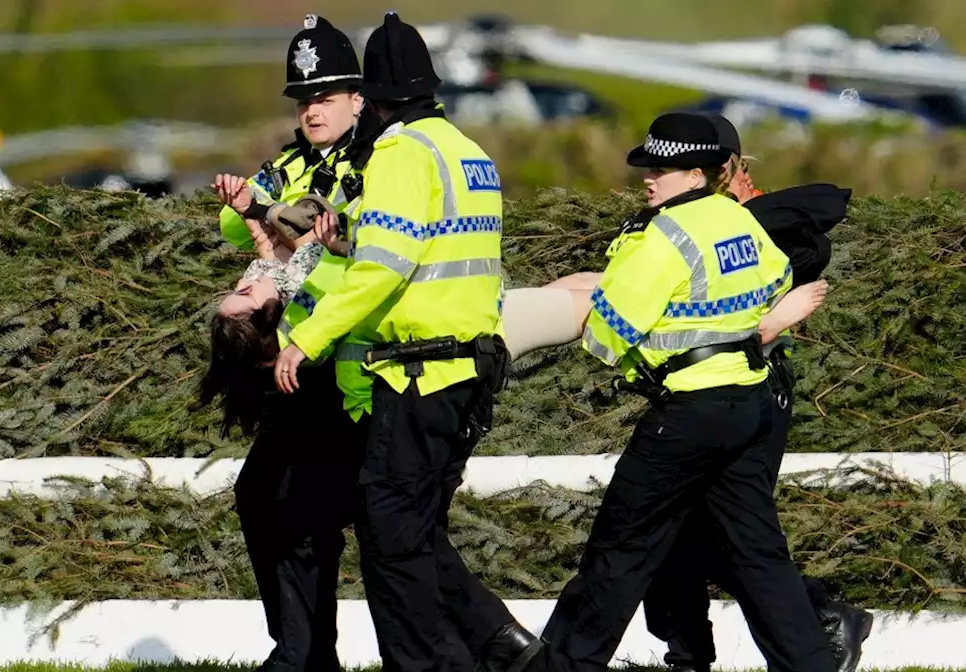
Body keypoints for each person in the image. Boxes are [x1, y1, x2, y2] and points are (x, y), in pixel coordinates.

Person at [488, 111, 839, 672]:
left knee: (619, 552)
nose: (651, 177)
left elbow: (606, 334)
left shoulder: (663, 237)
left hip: (689, 413)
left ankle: (563, 667)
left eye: (666, 168)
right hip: (748, 401)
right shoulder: (737, 219)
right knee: (757, 556)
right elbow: (775, 281)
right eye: (651, 166)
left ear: (698, 174)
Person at [272, 12, 543, 672]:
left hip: (420, 372)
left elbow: (384, 268)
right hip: (472, 366)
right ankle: (494, 650)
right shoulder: (467, 152)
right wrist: (348, 240)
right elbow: (427, 248)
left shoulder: (399, 153)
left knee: (392, 539)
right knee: (414, 533)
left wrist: (306, 338)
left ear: (377, 96)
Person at [639, 114, 874, 672]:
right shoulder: (723, 222)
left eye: (672, 168)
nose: (655, 179)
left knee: (722, 532)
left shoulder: (755, 228)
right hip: (731, 392)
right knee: (693, 528)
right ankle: (694, 649)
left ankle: (816, 621)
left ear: (714, 173)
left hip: (748, 391)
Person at [197, 15, 371, 672]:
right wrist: (240, 201)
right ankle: (300, 651)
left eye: (324, 96)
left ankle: (301, 654)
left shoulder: (376, 158)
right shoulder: (293, 159)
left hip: (340, 352)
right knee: (266, 497)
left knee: (308, 509)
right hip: (289, 347)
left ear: (357, 97)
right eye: (303, 99)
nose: (311, 110)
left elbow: (365, 250)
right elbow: (245, 229)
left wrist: (321, 240)